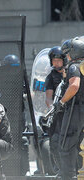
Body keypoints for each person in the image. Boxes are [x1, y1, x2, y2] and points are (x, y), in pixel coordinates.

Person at [52, 37, 84, 179]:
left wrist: (62, 102)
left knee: (66, 144)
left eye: (68, 54)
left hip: (75, 110)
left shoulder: (74, 67)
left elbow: (74, 86)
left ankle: (68, 176)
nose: (67, 57)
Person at [44, 46, 67, 175]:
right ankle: (61, 171)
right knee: (55, 142)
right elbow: (48, 98)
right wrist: (54, 108)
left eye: (58, 60)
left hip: (73, 113)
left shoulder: (72, 73)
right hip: (58, 114)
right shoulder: (51, 77)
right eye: (54, 60)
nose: (56, 63)